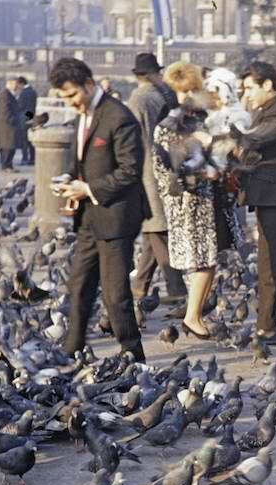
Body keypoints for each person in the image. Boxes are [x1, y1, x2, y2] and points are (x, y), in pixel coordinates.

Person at [48, 57, 149, 362]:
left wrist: (88, 189)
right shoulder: (84, 115)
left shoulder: (119, 117)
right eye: (64, 98)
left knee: (115, 294)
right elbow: (81, 162)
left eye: (72, 95)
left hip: (118, 216)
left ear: (89, 85)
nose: (70, 103)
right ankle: (72, 348)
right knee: (78, 285)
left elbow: (131, 170)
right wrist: (68, 179)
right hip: (90, 215)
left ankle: (134, 357)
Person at [152, 62, 241, 340]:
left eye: (192, 89)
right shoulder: (168, 125)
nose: (187, 95)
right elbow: (167, 170)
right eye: (182, 91)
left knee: (207, 260)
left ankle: (195, 312)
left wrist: (222, 152)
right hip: (187, 203)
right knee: (202, 261)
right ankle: (192, 316)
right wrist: (200, 150)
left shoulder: (201, 118)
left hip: (207, 200)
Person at [235, 61, 276, 345]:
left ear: (268, 85)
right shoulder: (264, 112)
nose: (247, 94)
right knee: (266, 264)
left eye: (250, 88)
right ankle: (267, 325)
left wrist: (222, 129)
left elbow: (251, 142)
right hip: (268, 197)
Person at [127, 52, 187, 308]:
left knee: (156, 229)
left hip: (148, 168)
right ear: (151, 74)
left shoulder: (138, 99)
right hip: (169, 163)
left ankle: (176, 287)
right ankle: (140, 286)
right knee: (154, 229)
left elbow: (133, 138)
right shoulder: (166, 94)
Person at [0, 77, 22, 172]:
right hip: (7, 127)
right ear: (9, 84)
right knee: (7, 148)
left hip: (9, 126)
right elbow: (5, 112)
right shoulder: (5, 95)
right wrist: (14, 120)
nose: (16, 86)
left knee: (10, 148)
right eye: (14, 84)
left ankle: (9, 166)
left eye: (17, 84)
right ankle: (5, 166)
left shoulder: (11, 94)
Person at [16, 76, 38, 165]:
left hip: (24, 118)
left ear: (21, 83)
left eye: (18, 85)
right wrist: (30, 117)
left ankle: (24, 158)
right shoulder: (33, 92)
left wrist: (24, 116)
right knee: (30, 140)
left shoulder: (23, 93)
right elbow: (32, 108)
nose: (17, 87)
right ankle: (32, 159)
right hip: (31, 116)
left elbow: (21, 106)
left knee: (24, 140)